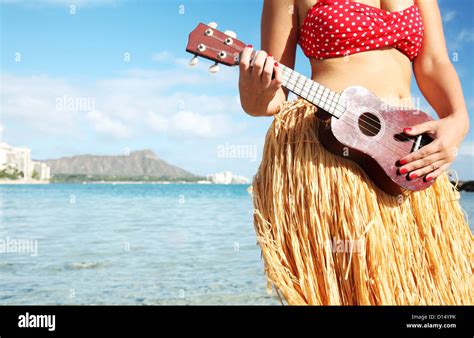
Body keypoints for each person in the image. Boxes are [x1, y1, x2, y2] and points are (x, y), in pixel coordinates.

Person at [240, 0, 473, 305]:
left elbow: (433, 61)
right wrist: (254, 93)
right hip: (327, 157)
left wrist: (458, 118)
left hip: (408, 152)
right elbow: (271, 97)